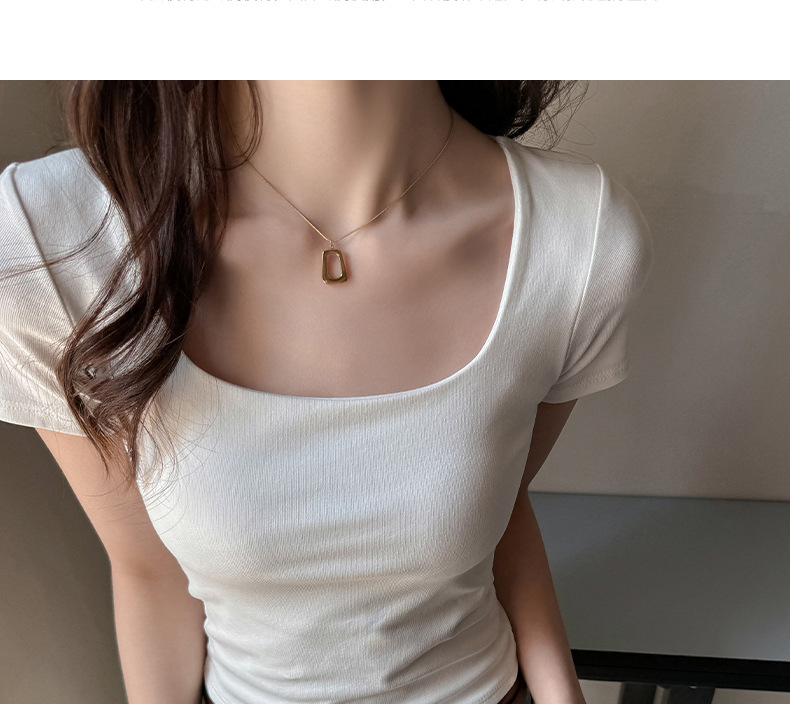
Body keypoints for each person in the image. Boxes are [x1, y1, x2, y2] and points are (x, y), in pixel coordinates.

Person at [0, 81, 653, 704]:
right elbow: (148, 570)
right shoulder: (49, 241)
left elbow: (499, 510)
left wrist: (560, 690)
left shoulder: (579, 236)